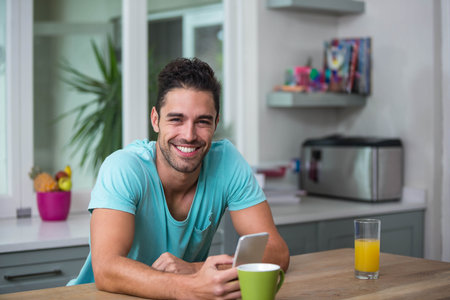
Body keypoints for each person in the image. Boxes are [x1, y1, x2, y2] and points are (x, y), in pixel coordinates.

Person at [68, 57, 290, 299]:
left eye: (203, 121)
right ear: (156, 120)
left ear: (216, 123)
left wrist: (195, 270)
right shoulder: (123, 168)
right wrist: (187, 286)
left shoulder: (227, 162)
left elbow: (277, 252)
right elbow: (106, 269)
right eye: (176, 119)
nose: (189, 134)